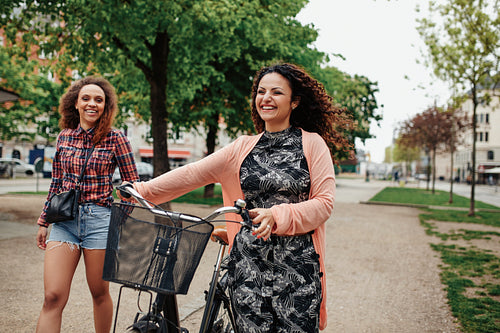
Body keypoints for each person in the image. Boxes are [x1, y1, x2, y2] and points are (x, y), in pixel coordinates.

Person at [123, 63, 351, 332]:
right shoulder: (242, 147)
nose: (266, 98)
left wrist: (276, 215)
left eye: (276, 92)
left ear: (295, 101)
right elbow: (193, 173)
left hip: (297, 269)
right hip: (247, 267)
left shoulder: (312, 144)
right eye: (261, 91)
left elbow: (324, 203)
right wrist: (140, 190)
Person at [36, 76, 139, 333]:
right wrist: (43, 221)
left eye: (98, 100)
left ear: (106, 106)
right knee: (53, 297)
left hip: (100, 222)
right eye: (86, 98)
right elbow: (56, 183)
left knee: (99, 293)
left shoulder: (116, 139)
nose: (92, 104)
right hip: (64, 223)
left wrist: (119, 220)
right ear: (76, 103)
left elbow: (132, 185)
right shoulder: (64, 137)